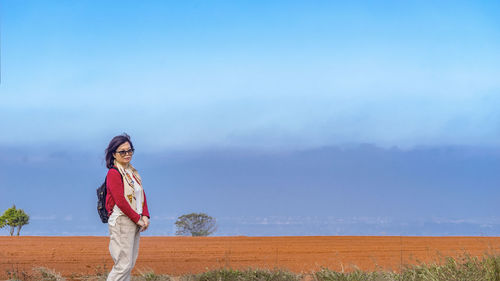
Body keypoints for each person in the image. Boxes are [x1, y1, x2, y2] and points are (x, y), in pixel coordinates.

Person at [104, 133, 150, 281]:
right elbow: (120, 200)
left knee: (128, 264)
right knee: (123, 265)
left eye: (129, 150)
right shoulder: (114, 173)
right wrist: (137, 218)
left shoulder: (132, 172)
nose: (127, 154)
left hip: (134, 219)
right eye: (122, 151)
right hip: (122, 221)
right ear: (114, 154)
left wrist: (145, 215)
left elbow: (141, 194)